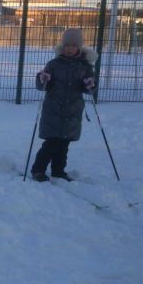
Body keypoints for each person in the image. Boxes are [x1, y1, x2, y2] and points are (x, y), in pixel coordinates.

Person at [31, 28, 97, 182]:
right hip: (53, 109)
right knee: (51, 142)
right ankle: (38, 170)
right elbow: (42, 86)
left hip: (72, 110)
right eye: (67, 45)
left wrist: (90, 84)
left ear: (79, 47)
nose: (69, 49)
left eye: (73, 46)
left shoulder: (85, 66)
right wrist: (43, 78)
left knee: (64, 144)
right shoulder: (54, 64)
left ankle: (58, 170)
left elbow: (90, 89)